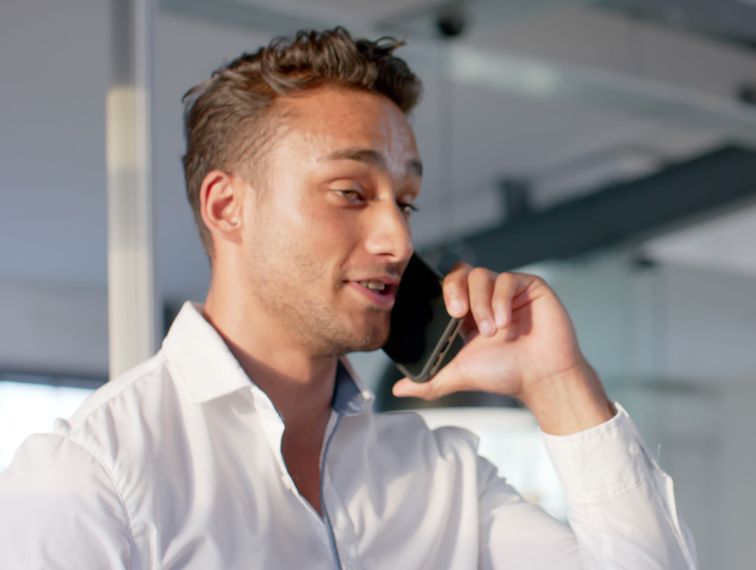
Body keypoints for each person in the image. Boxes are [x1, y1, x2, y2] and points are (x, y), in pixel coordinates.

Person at [0, 28, 696, 568]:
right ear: (227, 206)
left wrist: (558, 384)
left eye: (407, 202)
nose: (397, 238)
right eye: (350, 194)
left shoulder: (443, 476)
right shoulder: (91, 476)